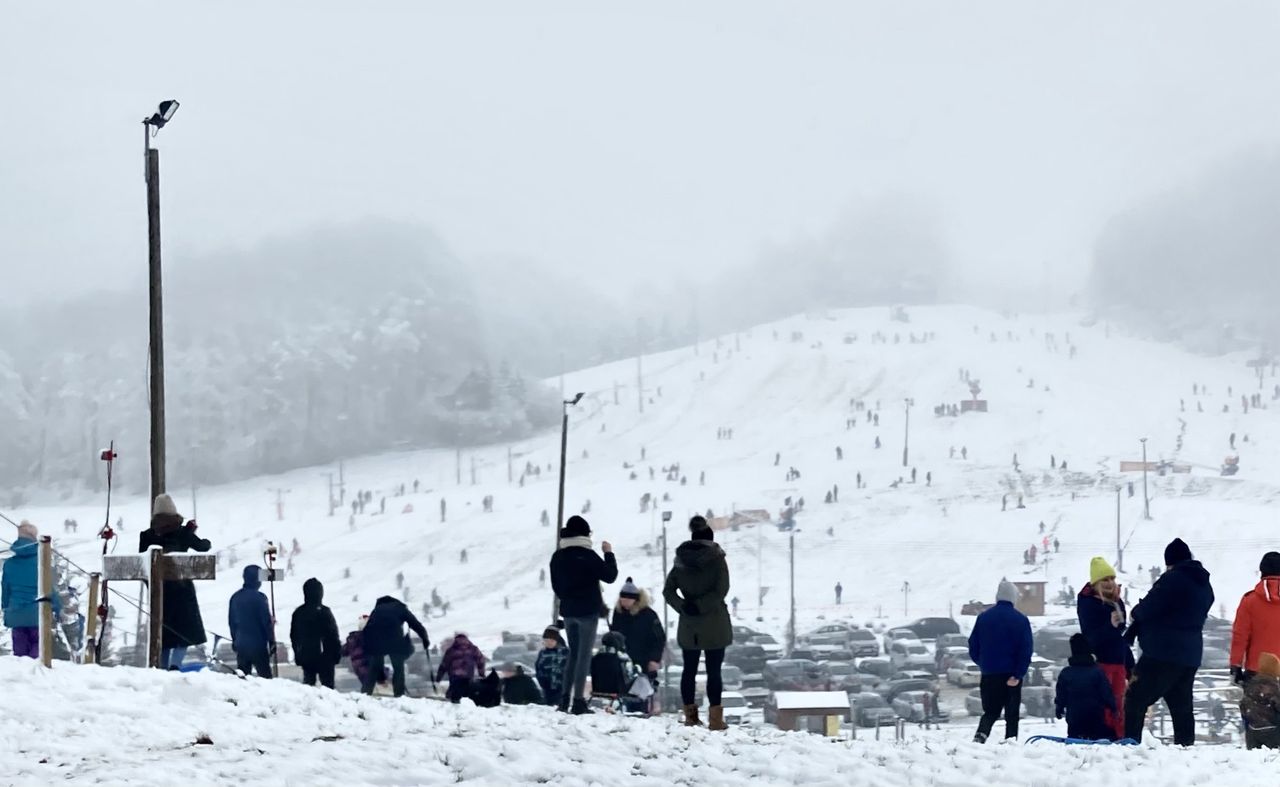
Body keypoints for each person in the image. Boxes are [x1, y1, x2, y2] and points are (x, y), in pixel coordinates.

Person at [1123, 538, 1215, 745]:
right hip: (1190, 655)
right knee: (1181, 708)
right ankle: (1185, 749)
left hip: (1162, 652)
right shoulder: (1204, 584)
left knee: (1135, 700)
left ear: (1169, 562)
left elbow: (1147, 607)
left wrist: (1135, 613)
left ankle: (1129, 748)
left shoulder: (1172, 579)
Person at [663, 515, 732, 730]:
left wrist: (685, 606)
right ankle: (716, 720)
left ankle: (691, 717)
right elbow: (721, 590)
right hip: (714, 621)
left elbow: (668, 590)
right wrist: (702, 605)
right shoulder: (717, 559)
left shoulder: (681, 561)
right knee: (714, 672)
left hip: (689, 623)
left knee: (689, 670)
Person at [549, 515, 618, 714]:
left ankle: (564, 700)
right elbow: (610, 576)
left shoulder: (558, 556)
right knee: (583, 656)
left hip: (569, 611)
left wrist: (568, 598)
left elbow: (556, 587)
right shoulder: (587, 555)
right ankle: (578, 701)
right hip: (588, 611)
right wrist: (609, 554)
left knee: (573, 654)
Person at [139, 494, 211, 670]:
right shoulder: (181, 532)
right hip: (182, 589)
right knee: (184, 632)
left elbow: (142, 563)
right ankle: (175, 665)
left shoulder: (147, 536)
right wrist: (191, 532)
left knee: (164, 633)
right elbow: (204, 546)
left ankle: (162, 666)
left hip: (160, 592)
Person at [968, 580, 1033, 743]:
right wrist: (1018, 674)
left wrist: (983, 663)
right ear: (1013, 598)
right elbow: (1026, 649)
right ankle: (1010, 743)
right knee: (1012, 715)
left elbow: (973, 644)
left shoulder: (983, 618)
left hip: (989, 673)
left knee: (990, 711)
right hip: (1011, 675)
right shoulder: (1021, 620)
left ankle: (980, 738)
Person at [1076, 557, 1134, 739]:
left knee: (1119, 705)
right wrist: (1109, 625)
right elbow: (1091, 638)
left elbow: (1120, 638)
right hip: (1101, 664)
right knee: (1104, 706)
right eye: (1105, 580)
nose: (1110, 583)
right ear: (1096, 583)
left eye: (1112, 579)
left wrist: (1130, 666)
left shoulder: (1116, 602)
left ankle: (1118, 738)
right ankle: (1102, 738)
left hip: (1119, 662)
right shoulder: (1088, 604)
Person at [2, 521, 61, 659]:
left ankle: (23, 678)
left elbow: (5, 590)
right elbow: (50, 589)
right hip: (38, 614)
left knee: (20, 656)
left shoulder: (9, 564)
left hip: (15, 613)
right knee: (38, 652)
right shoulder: (42, 562)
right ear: (34, 538)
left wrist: (5, 608)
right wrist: (57, 608)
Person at [362, 595, 430, 698]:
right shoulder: (400, 608)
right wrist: (425, 639)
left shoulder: (376, 610)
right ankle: (399, 695)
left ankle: (365, 694)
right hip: (396, 642)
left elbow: (367, 630)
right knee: (398, 669)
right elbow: (415, 624)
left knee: (374, 668)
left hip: (377, 643)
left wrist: (367, 647)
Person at [1054, 634, 1117, 741]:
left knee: (1075, 741)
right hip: (1095, 716)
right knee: (1096, 740)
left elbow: (1061, 694)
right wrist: (1113, 708)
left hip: (1074, 718)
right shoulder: (1097, 672)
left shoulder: (1066, 673)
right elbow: (1106, 692)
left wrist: (1059, 708)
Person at [1231, 552, 1280, 684]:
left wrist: (1235, 665)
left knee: (1257, 704)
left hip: (1257, 673)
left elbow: (1240, 636)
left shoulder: (1249, 601)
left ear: (1262, 573)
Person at [609, 578, 665, 692]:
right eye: (622, 599)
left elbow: (659, 639)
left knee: (640, 695)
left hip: (644, 660)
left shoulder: (648, 615)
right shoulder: (618, 613)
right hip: (623, 660)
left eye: (627, 599)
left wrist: (654, 659)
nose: (624, 602)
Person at [290, 577, 342, 689]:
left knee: (309, 688)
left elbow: (294, 637)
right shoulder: (325, 612)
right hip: (326, 656)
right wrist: (337, 653)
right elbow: (333, 634)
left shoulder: (299, 613)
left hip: (306, 656)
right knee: (329, 689)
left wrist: (297, 655)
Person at [228, 565, 274, 678]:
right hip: (258, 645)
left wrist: (235, 640)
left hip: (241, 644)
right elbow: (266, 622)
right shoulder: (260, 598)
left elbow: (232, 623)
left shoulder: (235, 597)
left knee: (243, 678)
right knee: (266, 678)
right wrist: (272, 641)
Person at [1241, 652, 1280, 749]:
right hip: (1273, 732)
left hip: (1252, 732)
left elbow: (1243, 706)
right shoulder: (1274, 687)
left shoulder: (1250, 686)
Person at [436, 632, 486, 703]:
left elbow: (444, 665)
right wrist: (482, 674)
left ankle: (452, 704)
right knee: (467, 693)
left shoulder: (451, 650)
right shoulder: (473, 649)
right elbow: (481, 661)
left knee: (453, 694)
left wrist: (438, 678)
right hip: (468, 675)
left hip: (455, 676)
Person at [535, 626, 570, 708]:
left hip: (562, 685)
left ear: (556, 641)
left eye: (551, 641)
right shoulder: (543, 653)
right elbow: (538, 666)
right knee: (548, 706)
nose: (549, 643)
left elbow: (570, 667)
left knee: (560, 705)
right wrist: (541, 678)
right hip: (546, 685)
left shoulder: (565, 652)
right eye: (546, 641)